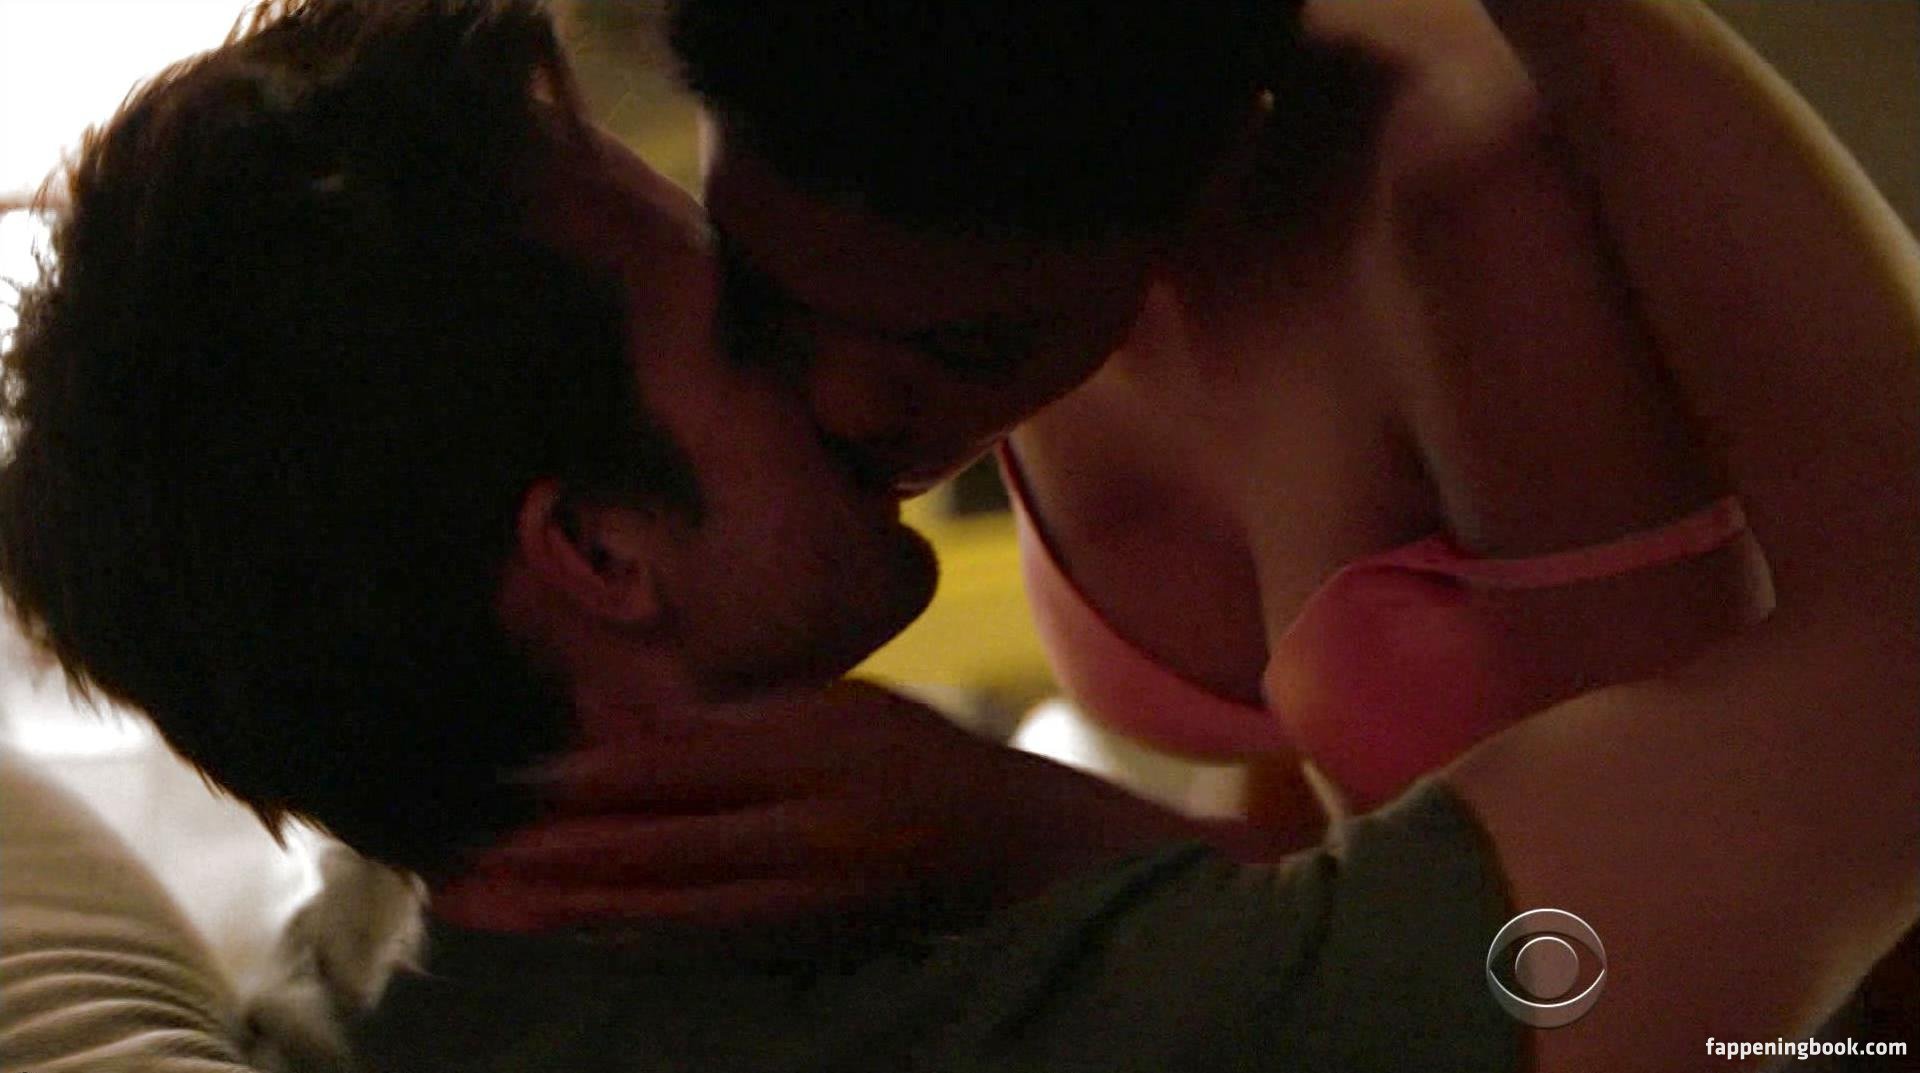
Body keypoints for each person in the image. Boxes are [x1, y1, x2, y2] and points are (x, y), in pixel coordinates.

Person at [0, 2, 1910, 1070]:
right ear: (595, 551)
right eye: (748, 322)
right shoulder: (1187, 1024)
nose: (857, 402)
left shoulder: (386, 953)